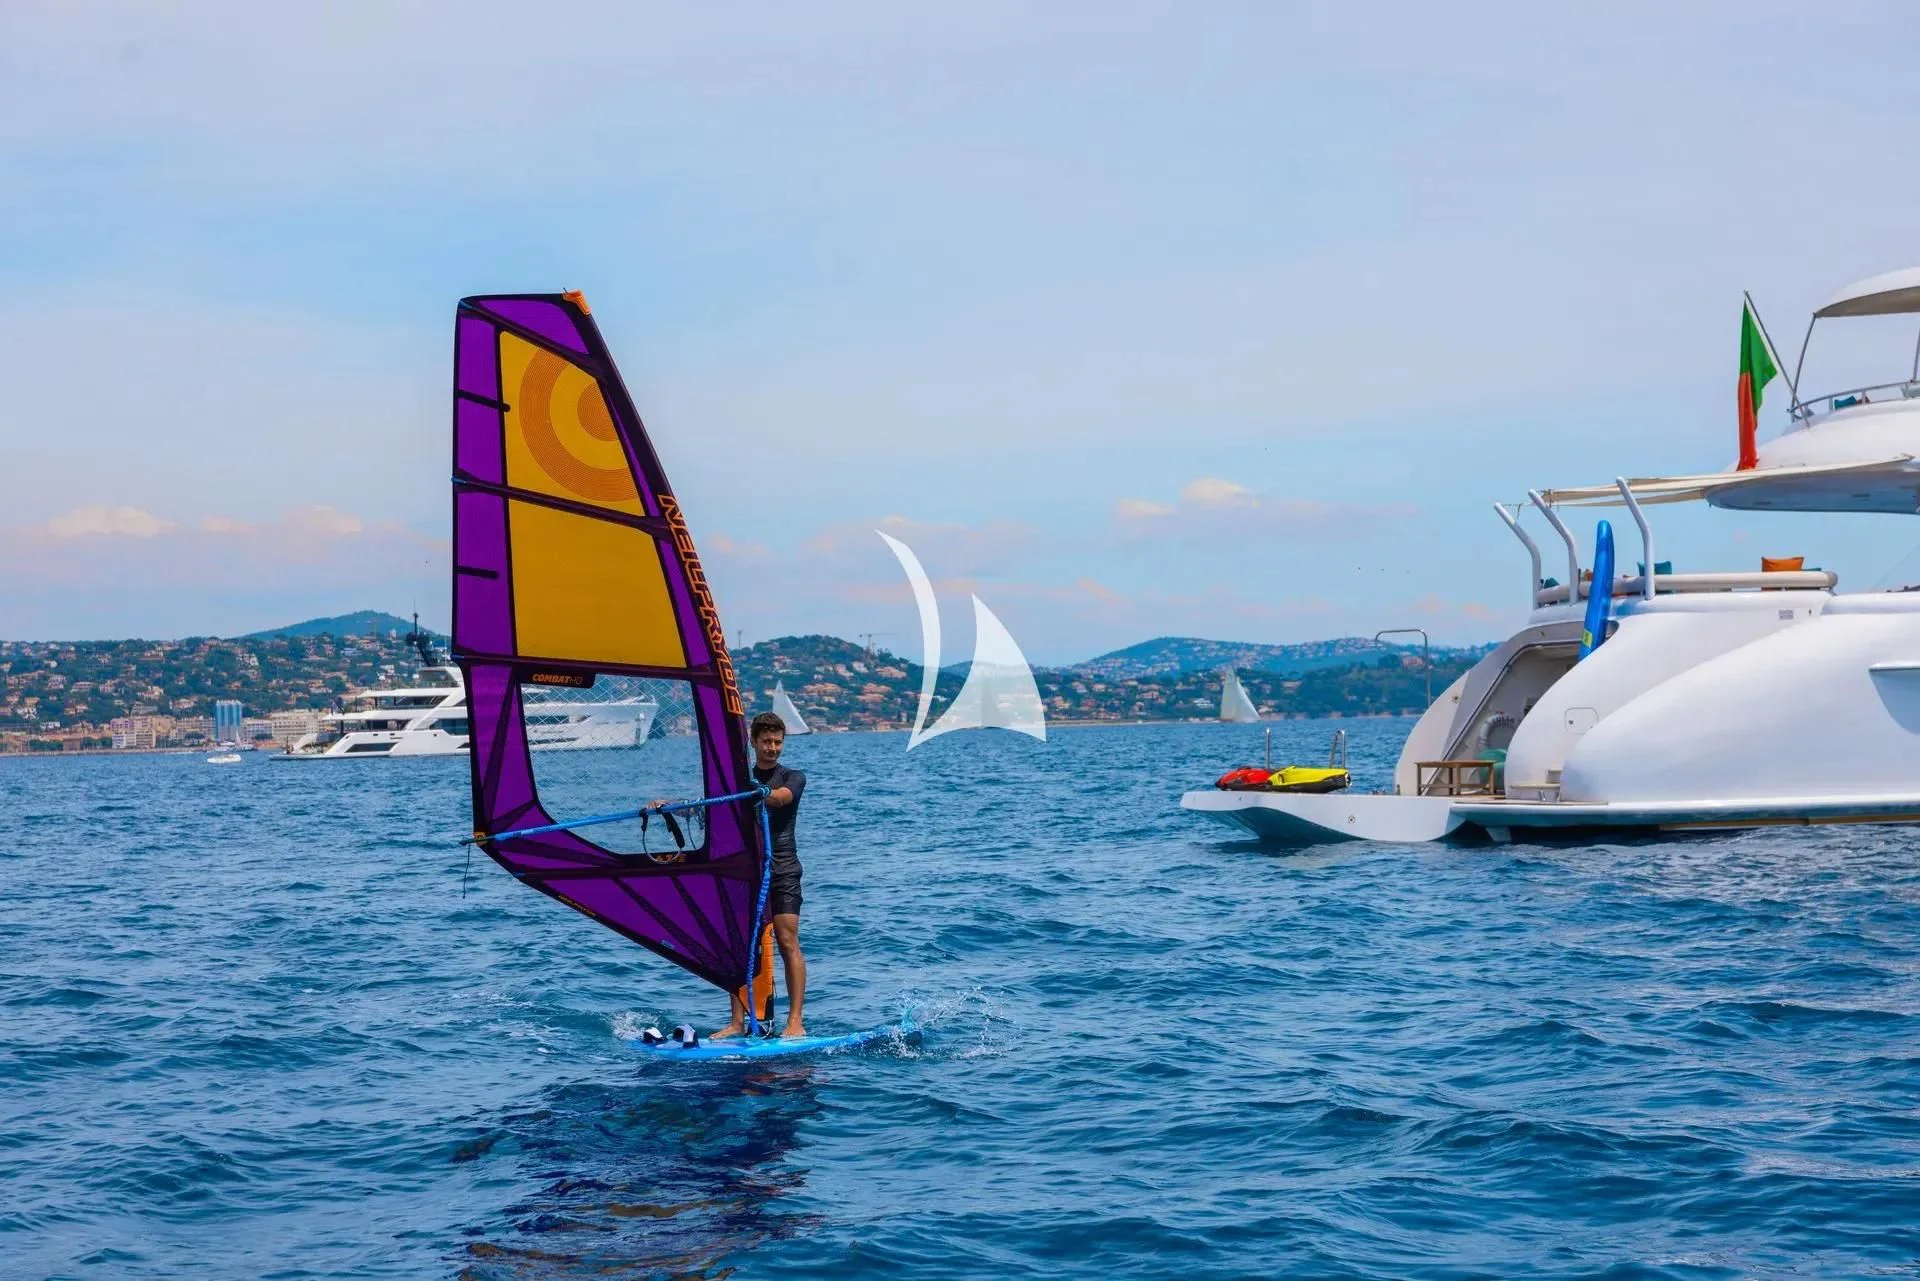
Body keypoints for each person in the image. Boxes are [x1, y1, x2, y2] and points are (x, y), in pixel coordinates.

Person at [712, 711, 808, 1039]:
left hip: (782, 870)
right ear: (753, 742)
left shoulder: (792, 776)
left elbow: (782, 798)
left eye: (777, 742)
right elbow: (713, 804)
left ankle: (795, 1021)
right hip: (747, 872)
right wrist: (669, 805)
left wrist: (763, 793)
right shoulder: (736, 781)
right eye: (766, 741)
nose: (772, 748)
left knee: (786, 940)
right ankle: (738, 1022)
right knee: (741, 946)